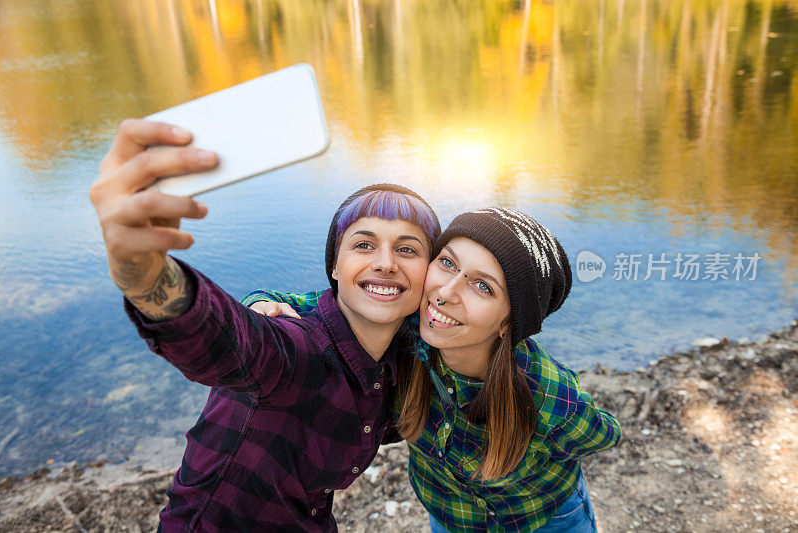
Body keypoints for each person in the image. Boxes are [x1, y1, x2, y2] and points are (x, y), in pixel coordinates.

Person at [89, 118, 442, 531]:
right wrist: (143, 272)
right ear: (334, 265)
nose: (385, 263)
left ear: (428, 275)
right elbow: (223, 338)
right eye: (363, 244)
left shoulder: (400, 366)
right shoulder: (294, 349)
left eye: (407, 249)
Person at [248, 208, 621, 532]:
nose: (445, 292)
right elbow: (302, 305)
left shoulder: (546, 391)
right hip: (448, 515)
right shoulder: (403, 330)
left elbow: (604, 434)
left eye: (483, 286)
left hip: (543, 518)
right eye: (447, 263)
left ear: (510, 323)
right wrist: (261, 306)